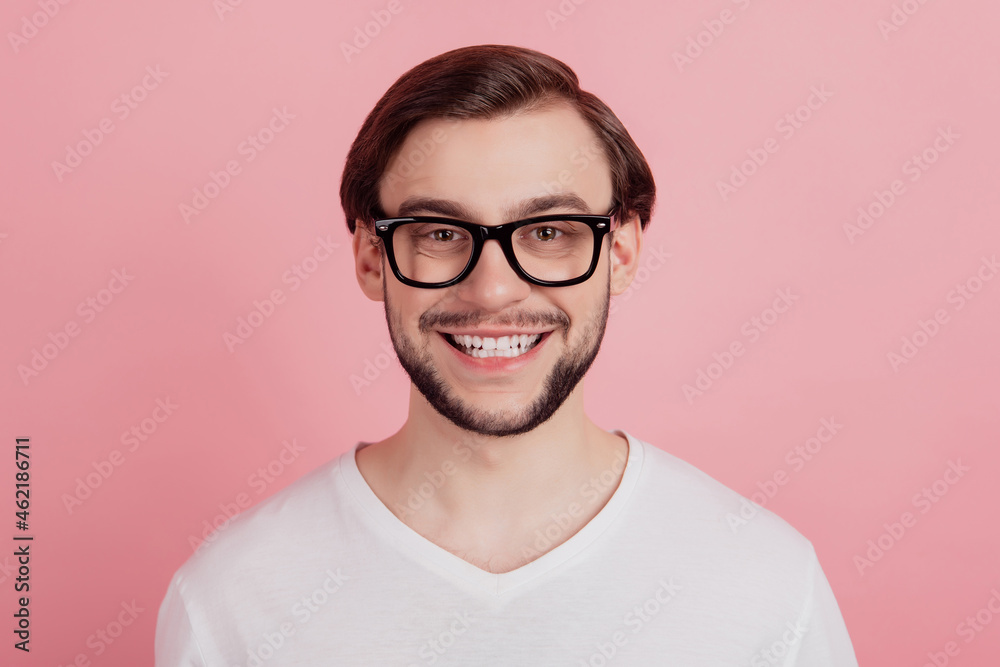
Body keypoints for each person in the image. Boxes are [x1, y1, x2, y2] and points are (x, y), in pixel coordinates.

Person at [155, 44, 858, 665]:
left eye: (549, 231)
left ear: (620, 252)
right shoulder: (234, 598)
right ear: (373, 257)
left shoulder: (764, 583)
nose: (493, 289)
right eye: (438, 231)